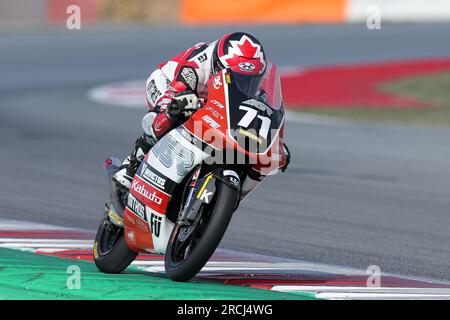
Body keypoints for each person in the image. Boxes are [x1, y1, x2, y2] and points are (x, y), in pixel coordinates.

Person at [113, 32, 290, 190]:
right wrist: (168, 111)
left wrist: (275, 144)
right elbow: (172, 96)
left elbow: (258, 116)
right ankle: (131, 165)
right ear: (218, 65)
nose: (246, 84)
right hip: (168, 84)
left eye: (251, 79)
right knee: (174, 114)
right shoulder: (197, 65)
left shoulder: (255, 86)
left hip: (203, 98)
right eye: (238, 77)